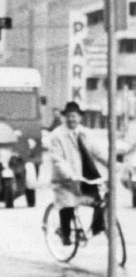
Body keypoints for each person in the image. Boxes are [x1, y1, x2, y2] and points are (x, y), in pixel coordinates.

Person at [48, 101, 107, 244]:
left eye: (74, 116)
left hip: (85, 178)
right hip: (65, 180)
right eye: (68, 116)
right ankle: (65, 233)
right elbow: (57, 160)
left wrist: (113, 164)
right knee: (67, 203)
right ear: (64, 118)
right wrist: (70, 175)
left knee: (100, 201)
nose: (71, 119)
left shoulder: (86, 133)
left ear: (80, 118)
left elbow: (99, 152)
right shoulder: (57, 135)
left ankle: (97, 228)